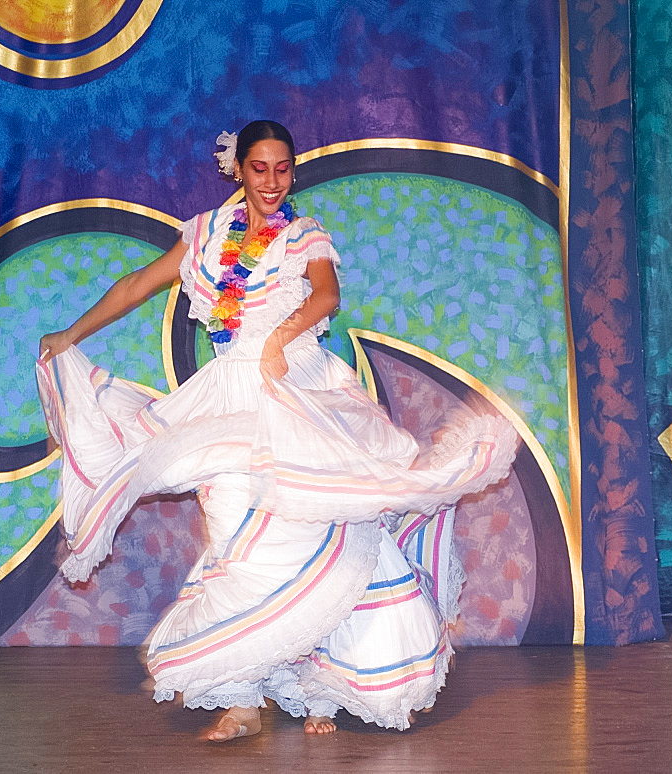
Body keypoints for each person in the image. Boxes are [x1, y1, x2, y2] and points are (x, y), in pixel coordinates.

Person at [37, 120, 517, 742]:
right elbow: (135, 285)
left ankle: (327, 682)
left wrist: (282, 340)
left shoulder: (304, 235)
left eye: (282, 168)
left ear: (292, 171)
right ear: (238, 169)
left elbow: (325, 296)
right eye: (259, 168)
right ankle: (241, 699)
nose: (271, 181)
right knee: (234, 536)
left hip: (298, 387)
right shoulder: (206, 234)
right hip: (228, 395)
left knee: (322, 524)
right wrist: (70, 335)